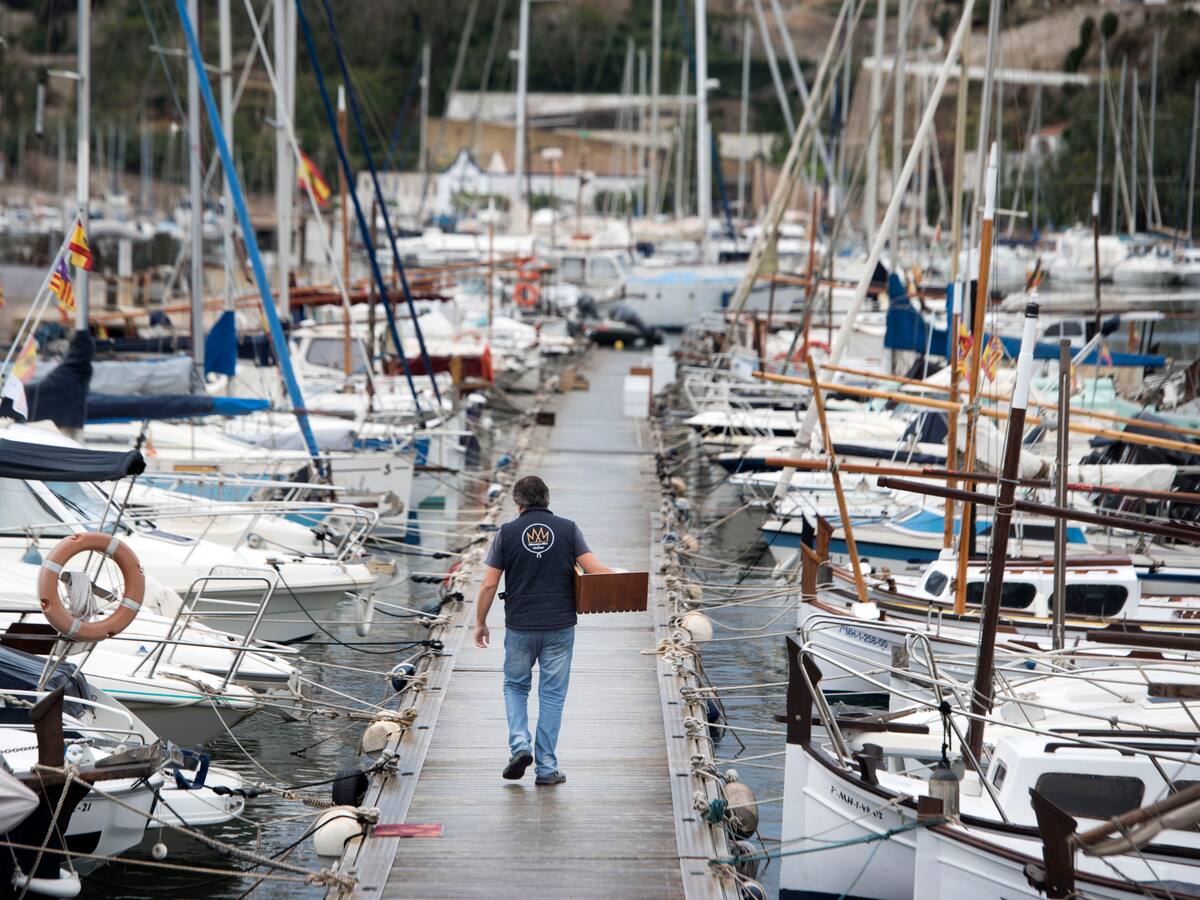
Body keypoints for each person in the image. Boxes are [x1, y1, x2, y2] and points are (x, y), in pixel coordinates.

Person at [473, 475, 611, 785]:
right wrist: (624, 576)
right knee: (552, 696)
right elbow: (594, 569)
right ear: (546, 499)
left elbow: (489, 584)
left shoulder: (506, 533)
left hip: (520, 625)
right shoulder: (568, 529)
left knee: (515, 687)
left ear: (517, 502)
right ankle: (547, 769)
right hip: (559, 626)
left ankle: (520, 745)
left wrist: (480, 623)